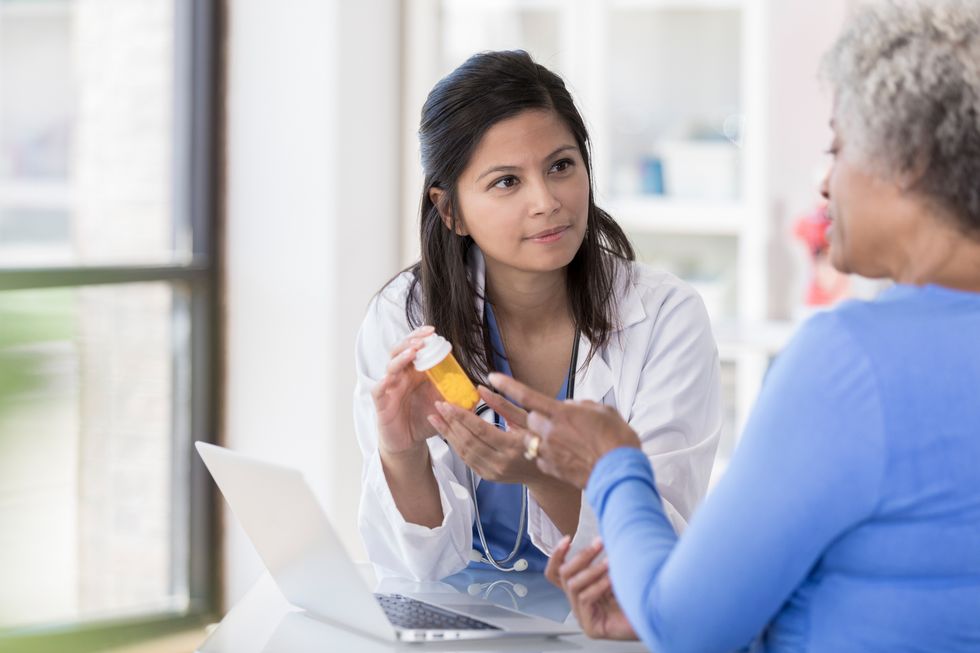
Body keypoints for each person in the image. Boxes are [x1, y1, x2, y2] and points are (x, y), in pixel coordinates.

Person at [481, 1, 980, 650]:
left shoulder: (851, 361)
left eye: (838, 147)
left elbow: (684, 627)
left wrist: (613, 462)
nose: (824, 181)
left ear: (909, 160)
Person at [353, 50, 723, 581]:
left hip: (604, 624)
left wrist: (543, 476)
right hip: (457, 622)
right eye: (507, 181)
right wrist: (400, 451)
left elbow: (656, 554)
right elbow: (416, 567)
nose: (547, 201)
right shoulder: (406, 315)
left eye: (561, 166)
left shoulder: (667, 317)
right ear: (450, 209)